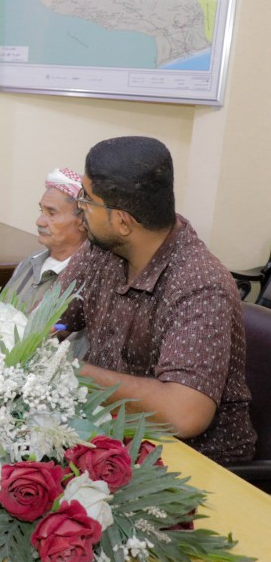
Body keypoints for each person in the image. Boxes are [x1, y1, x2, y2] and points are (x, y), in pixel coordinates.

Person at [58, 136, 255, 464]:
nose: (80, 207)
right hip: (114, 442)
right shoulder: (101, 249)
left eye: (87, 199)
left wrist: (69, 371)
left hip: (195, 465)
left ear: (122, 221)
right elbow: (49, 320)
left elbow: (184, 413)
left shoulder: (200, 284)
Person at [4, 167, 88, 310]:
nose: (39, 222)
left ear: (82, 221)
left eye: (52, 213)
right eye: (41, 211)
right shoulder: (30, 261)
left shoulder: (88, 277)